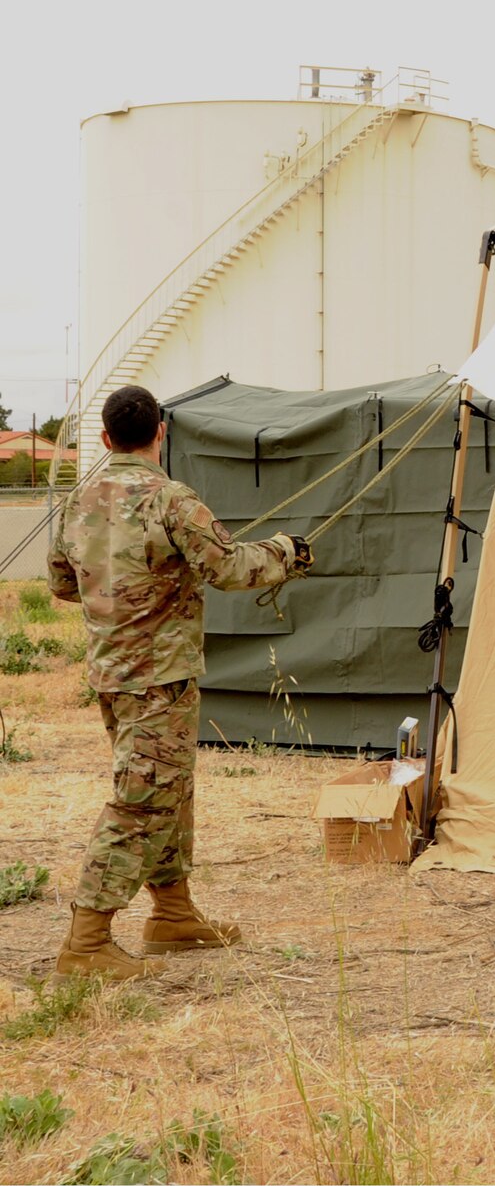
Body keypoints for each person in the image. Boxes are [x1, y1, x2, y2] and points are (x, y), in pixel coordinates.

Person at [47, 386, 311, 980]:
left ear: (107, 438)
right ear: (160, 432)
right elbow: (230, 568)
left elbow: (63, 584)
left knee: (171, 790)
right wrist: (286, 552)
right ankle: (86, 943)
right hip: (160, 678)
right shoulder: (172, 499)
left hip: (113, 677)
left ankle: (172, 914)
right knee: (142, 801)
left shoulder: (78, 500)